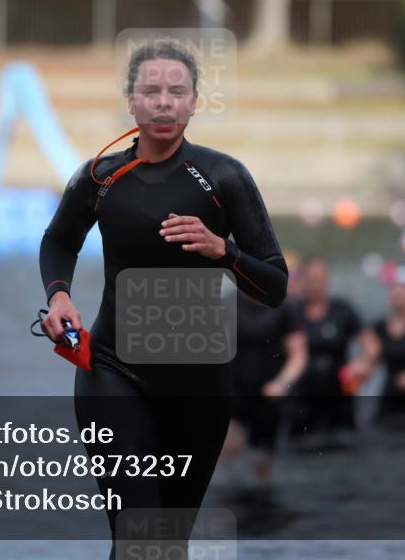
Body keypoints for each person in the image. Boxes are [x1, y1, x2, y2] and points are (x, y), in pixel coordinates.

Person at [38, 38, 288, 558]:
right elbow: (59, 240)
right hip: (113, 371)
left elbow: (276, 287)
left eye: (177, 91)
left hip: (199, 385)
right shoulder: (100, 178)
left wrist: (225, 252)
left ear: (194, 101)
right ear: (130, 100)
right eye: (150, 90)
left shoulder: (224, 178)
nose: (164, 101)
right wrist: (59, 295)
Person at [221, 290, 307, 480]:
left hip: (270, 394)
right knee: (229, 453)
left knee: (261, 466)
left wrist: (283, 383)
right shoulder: (227, 303)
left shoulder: (285, 306)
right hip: (236, 391)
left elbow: (299, 355)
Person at [351, 267, 405, 429]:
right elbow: (370, 359)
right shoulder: (379, 327)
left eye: (403, 291)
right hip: (388, 398)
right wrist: (359, 370)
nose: (398, 295)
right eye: (394, 290)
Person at [288, 257, 364, 444]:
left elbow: (371, 345)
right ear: (302, 281)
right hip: (303, 399)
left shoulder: (343, 310)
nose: (315, 285)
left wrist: (361, 364)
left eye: (319, 280)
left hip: (338, 399)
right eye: (311, 279)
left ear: (328, 280)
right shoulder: (291, 312)